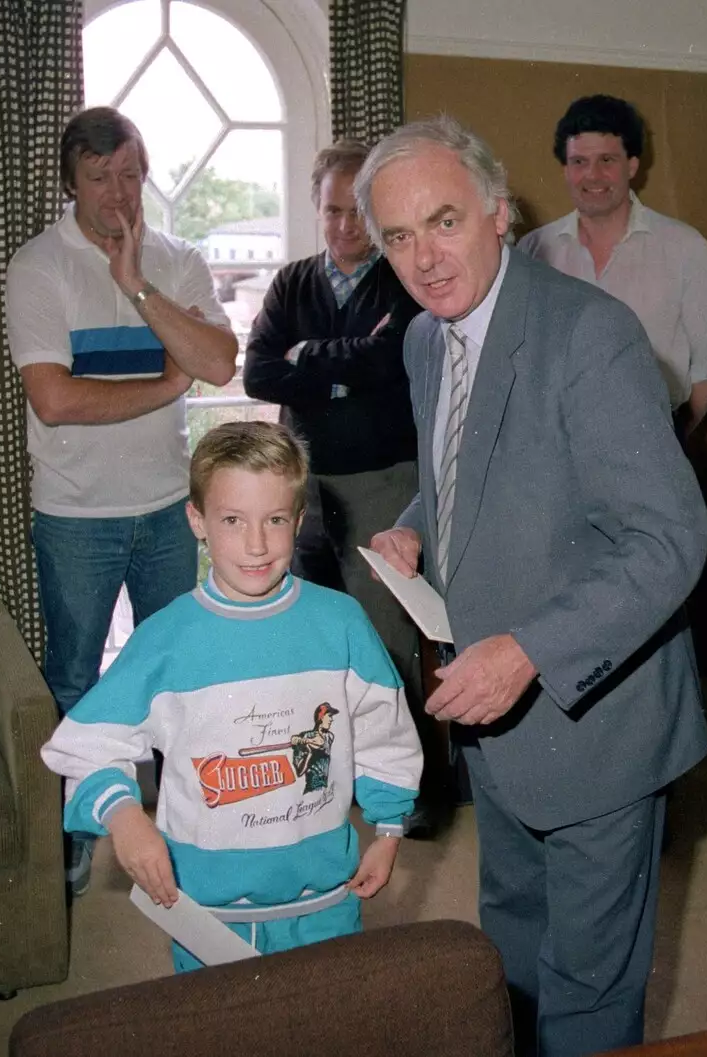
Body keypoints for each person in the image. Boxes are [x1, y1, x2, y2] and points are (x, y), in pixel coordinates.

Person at [358, 116, 707, 1057]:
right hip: (496, 721)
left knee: (590, 987)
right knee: (507, 945)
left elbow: (672, 538)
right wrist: (416, 524)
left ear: (499, 211)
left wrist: (529, 652)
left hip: (598, 720)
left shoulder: (590, 334)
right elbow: (461, 471)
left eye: (443, 221)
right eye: (398, 237)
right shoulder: (427, 342)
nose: (425, 258)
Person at [39, 421, 423, 972]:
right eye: (232, 521)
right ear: (197, 521)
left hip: (323, 899)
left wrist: (388, 828)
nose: (257, 544)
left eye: (274, 520)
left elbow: (385, 732)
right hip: (203, 910)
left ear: (298, 519)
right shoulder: (165, 640)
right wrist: (126, 819)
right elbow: (83, 746)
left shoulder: (340, 623)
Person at [7, 106, 239, 895]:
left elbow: (214, 361)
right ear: (71, 182)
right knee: (76, 678)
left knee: (180, 675)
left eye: (132, 175)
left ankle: (184, 825)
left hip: (167, 507)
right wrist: (164, 384)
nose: (119, 194)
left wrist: (137, 285)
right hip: (75, 514)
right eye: (100, 178)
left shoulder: (175, 260)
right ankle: (80, 833)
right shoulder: (39, 266)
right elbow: (56, 400)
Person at [242, 141, 445, 824]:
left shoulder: (402, 277)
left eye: (356, 212)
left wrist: (310, 359)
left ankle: (402, 794)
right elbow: (259, 372)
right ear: (316, 209)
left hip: (385, 481)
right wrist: (341, 365)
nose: (343, 226)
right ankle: (321, 791)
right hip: (302, 488)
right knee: (310, 642)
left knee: (382, 641)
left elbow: (390, 363)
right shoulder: (291, 282)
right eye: (331, 211)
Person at [518, 94, 707, 438]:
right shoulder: (536, 250)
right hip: (555, 443)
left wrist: (667, 447)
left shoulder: (685, 248)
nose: (593, 175)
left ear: (632, 165)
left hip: (648, 437)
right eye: (579, 162)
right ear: (565, 170)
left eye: (607, 160)